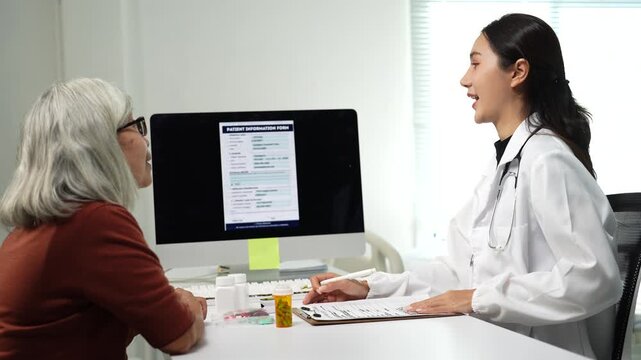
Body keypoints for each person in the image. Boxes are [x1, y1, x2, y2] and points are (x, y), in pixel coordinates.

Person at [304, 13, 622, 360]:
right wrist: (370, 288)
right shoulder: (504, 167)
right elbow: (457, 272)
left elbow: (594, 277)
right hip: (497, 344)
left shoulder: (548, 160)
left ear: (518, 72)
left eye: (475, 64)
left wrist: (477, 298)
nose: (464, 79)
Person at [0, 78, 206, 359]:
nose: (145, 140)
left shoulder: (32, 230)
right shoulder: (95, 222)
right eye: (135, 125)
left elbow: (90, 328)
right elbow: (179, 335)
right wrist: (186, 302)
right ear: (102, 143)